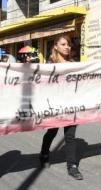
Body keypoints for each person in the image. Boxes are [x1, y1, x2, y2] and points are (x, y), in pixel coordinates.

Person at [39, 35, 83, 180]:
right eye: (63, 44)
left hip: (71, 105)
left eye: (68, 45)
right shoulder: (48, 65)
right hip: (54, 106)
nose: (67, 47)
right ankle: (44, 154)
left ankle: (72, 166)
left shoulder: (73, 64)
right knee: (52, 132)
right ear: (56, 46)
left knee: (70, 137)